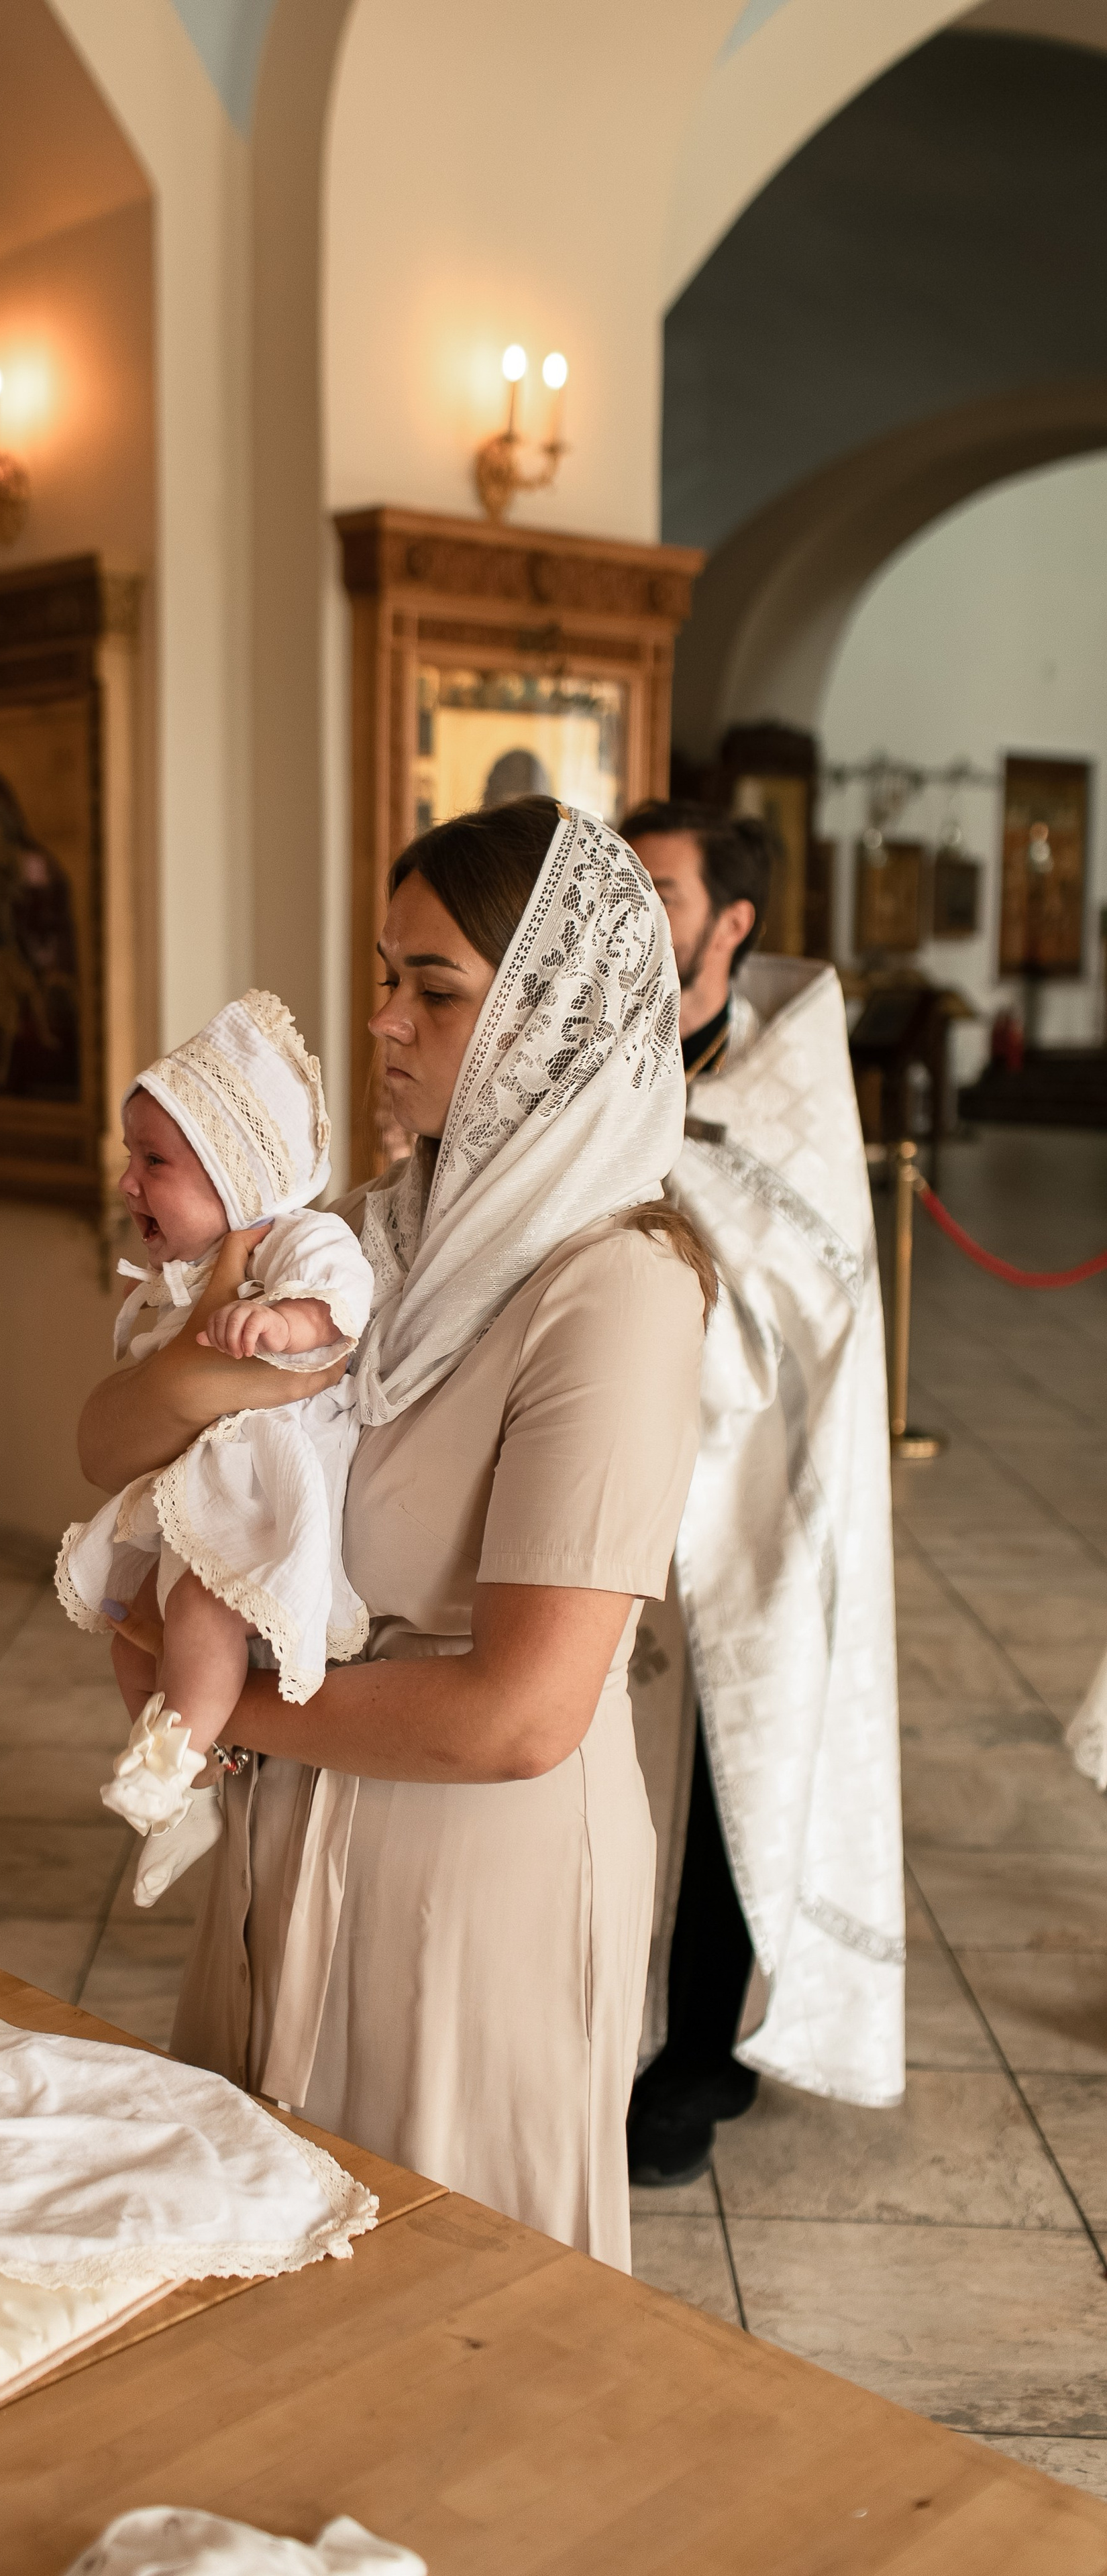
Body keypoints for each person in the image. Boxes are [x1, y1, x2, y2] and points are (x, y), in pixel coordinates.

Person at [80, 797, 711, 2265]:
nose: (378, 1022)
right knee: (258, 2273)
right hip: (286, 1816)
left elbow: (519, 1713)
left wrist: (220, 1711)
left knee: (444, 2307)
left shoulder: (610, 1291)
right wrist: (193, 1371)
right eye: (380, 975)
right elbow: (104, 1443)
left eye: (431, 990)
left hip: (468, 1876)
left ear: (547, 1024)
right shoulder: (355, 1243)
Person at [620, 798, 904, 2186]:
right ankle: (601, 2020)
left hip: (746, 1479)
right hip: (601, 1451)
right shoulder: (577, 1055)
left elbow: (806, 1302)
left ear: (730, 922)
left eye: (657, 894)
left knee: (732, 1747)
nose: (628, 918)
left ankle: (695, 2052)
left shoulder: (779, 1093)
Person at [56, 992, 374, 1907]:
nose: (127, 1182)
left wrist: (280, 1320)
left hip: (259, 1490)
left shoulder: (299, 1236)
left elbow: (340, 1300)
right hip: (193, 1487)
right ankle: (186, 1784)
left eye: (153, 1161)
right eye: (131, 1156)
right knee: (131, 1631)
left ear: (238, 1175)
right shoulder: (178, 1282)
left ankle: (175, 1761)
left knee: (199, 1614)